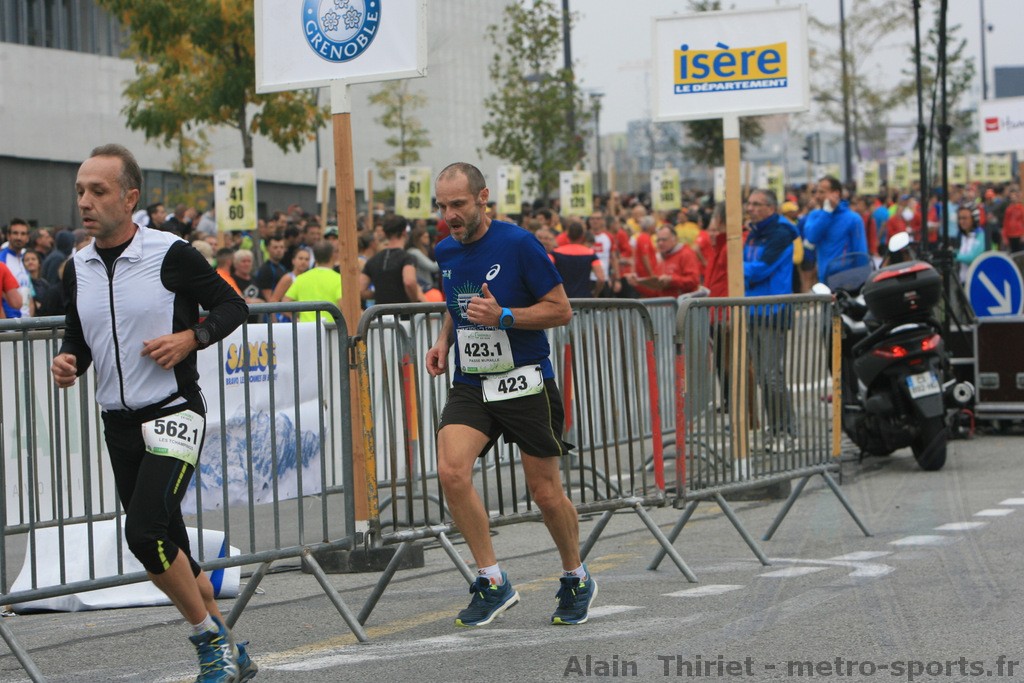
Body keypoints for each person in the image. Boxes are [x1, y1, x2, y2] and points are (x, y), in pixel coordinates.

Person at [49, 144, 254, 683]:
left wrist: (192, 337)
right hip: (119, 423)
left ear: (129, 197)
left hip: (173, 411)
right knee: (170, 545)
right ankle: (233, 647)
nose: (85, 201)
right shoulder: (76, 267)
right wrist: (69, 361)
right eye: (80, 191)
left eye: (98, 191)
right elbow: (79, 335)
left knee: (143, 534)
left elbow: (234, 306)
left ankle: (209, 642)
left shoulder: (170, 253)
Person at [426, 162, 596, 628]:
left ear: (483, 198)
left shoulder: (520, 244)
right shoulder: (445, 249)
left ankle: (576, 576)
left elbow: (561, 310)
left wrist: (504, 317)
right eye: (442, 206)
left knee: (545, 493)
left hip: (524, 380)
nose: (449, 215)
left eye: (458, 204)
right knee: (451, 471)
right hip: (473, 381)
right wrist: (443, 340)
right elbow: (457, 301)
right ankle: (492, 579)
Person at [743, 189, 798, 451]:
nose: (750, 208)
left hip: (772, 311)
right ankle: (775, 429)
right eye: (749, 203)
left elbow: (761, 269)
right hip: (752, 310)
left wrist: (736, 267)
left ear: (771, 208)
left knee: (772, 375)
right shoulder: (754, 233)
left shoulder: (781, 233)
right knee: (764, 377)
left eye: (756, 204)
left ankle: (786, 431)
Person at [802, 176, 868, 285]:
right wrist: (827, 213)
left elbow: (861, 253)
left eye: (822, 192)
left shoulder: (853, 219)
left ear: (836, 193)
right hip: (824, 279)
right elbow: (811, 238)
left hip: (847, 281)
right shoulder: (814, 215)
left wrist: (862, 281)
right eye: (816, 192)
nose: (817, 196)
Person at [360, 214, 424, 305]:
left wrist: (380, 294)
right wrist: (414, 300)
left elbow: (361, 290)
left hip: (380, 311)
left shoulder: (373, 260)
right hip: (402, 310)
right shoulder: (407, 258)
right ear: (404, 233)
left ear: (385, 234)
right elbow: (409, 281)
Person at [627, 227, 700, 298]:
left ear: (675, 239)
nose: (660, 243)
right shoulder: (661, 257)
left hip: (682, 303)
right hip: (665, 303)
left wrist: (671, 280)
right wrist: (637, 283)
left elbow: (694, 281)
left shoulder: (686, 254)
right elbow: (655, 291)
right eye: (658, 240)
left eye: (664, 240)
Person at [283, 240, 342, 323]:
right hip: (330, 327)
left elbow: (285, 303)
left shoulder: (301, 278)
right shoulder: (338, 279)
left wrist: (296, 319)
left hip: (306, 327)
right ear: (333, 256)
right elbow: (343, 306)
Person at [552, 220, 606, 297]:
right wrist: (595, 294)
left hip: (562, 297)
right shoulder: (591, 254)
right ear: (582, 236)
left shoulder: (555, 253)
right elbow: (601, 279)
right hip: (583, 298)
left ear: (567, 236)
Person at [1, 218, 32, 317]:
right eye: (15, 233)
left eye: (23, 234)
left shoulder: (26, 259)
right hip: (10, 321)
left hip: (26, 321)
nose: (19, 237)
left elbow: (28, 290)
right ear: (8, 236)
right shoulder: (2, 260)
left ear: (27, 238)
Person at [955, 206, 986, 284]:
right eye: (959, 218)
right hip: (963, 280)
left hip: (976, 282)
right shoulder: (963, 236)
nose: (961, 221)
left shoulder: (980, 235)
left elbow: (972, 258)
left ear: (974, 219)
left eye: (965, 218)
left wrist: (954, 255)